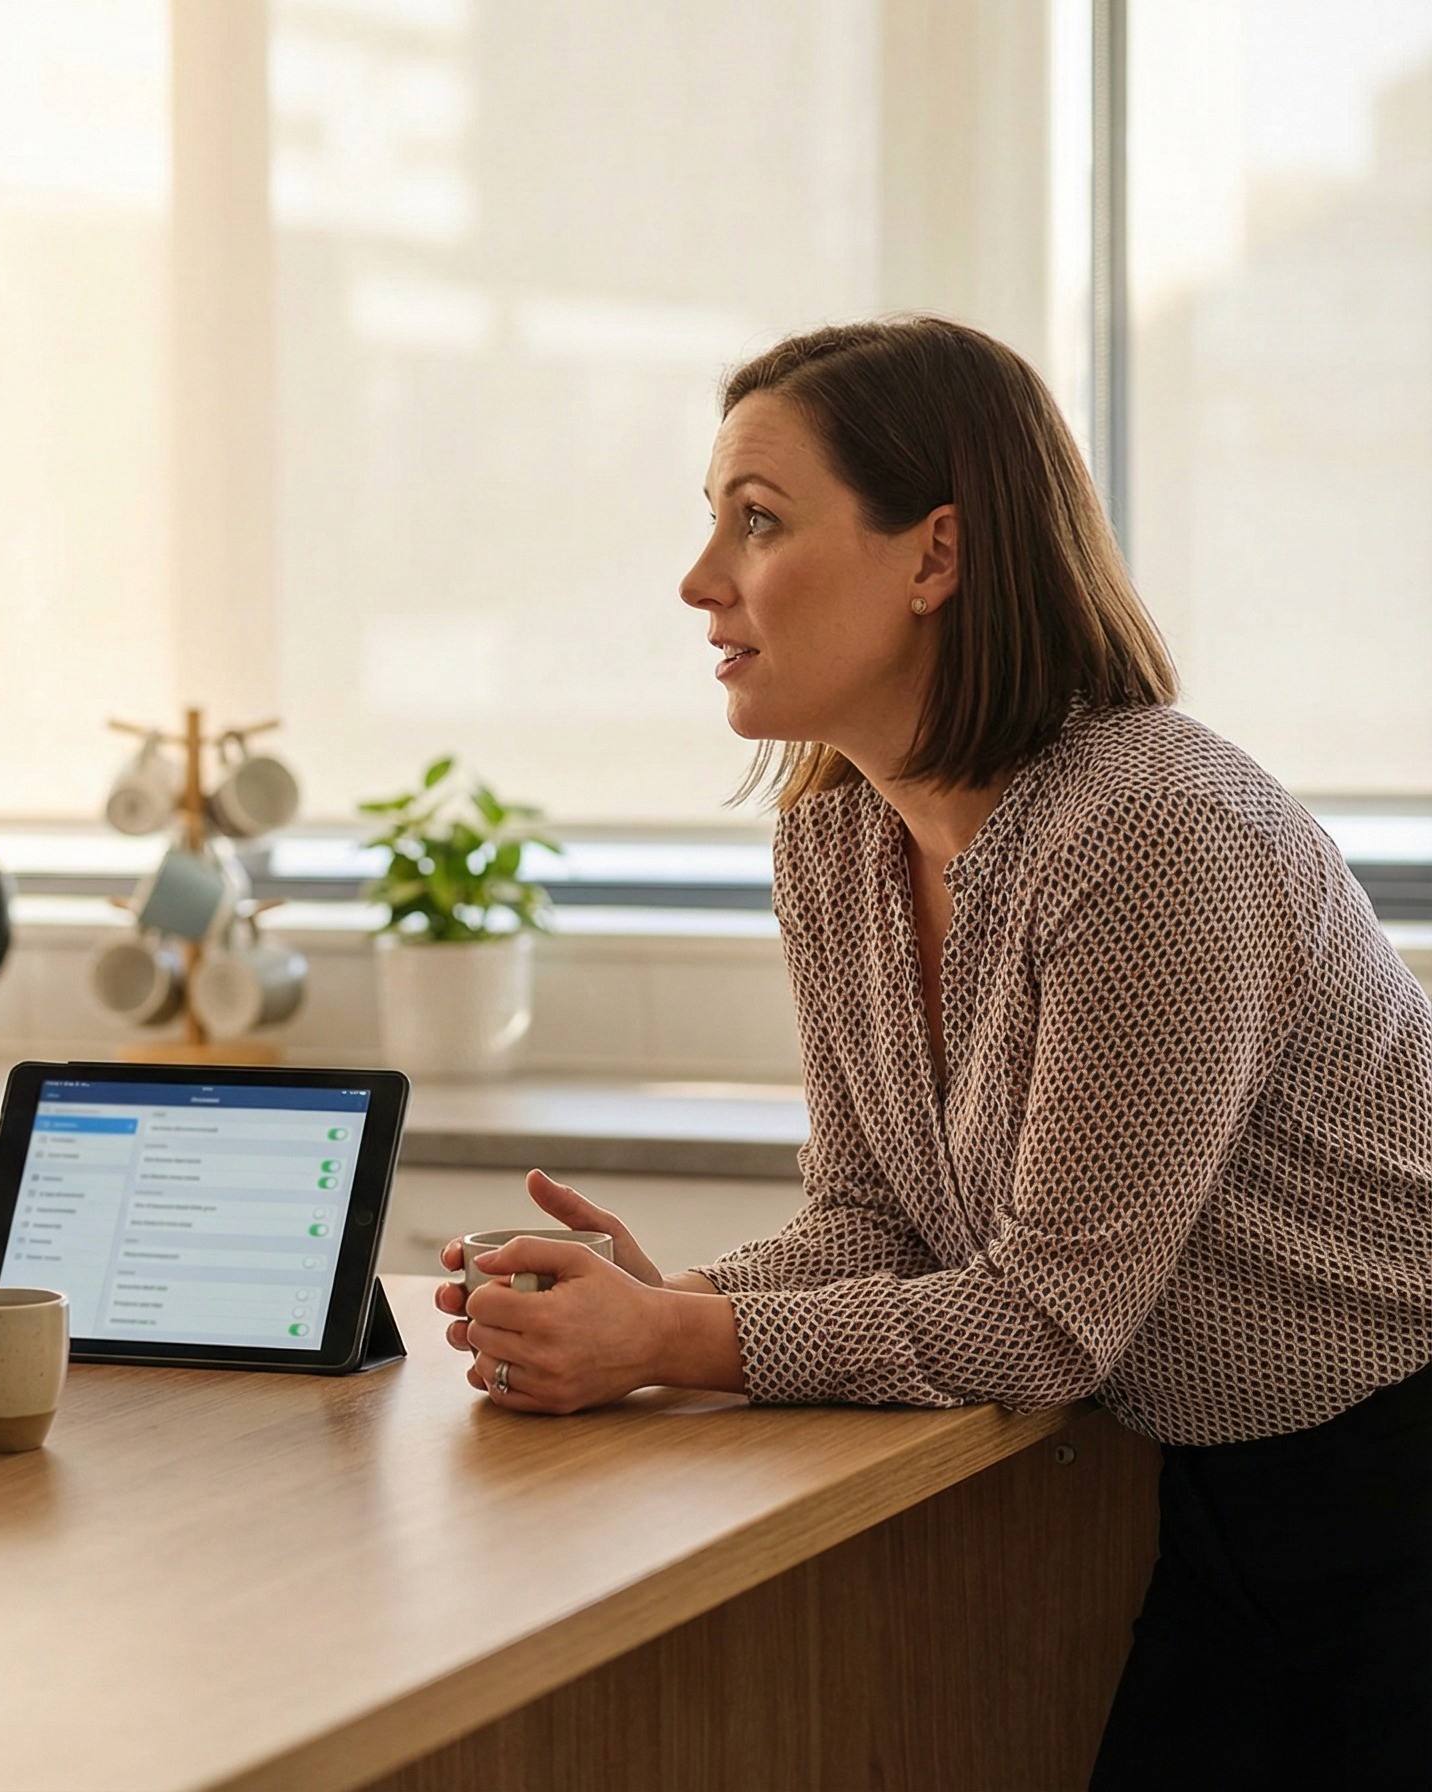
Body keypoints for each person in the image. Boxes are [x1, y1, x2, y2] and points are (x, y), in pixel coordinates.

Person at [436, 317, 1432, 1785]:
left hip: (1392, 1473)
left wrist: (676, 1343)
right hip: (1201, 1483)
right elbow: (879, 1215)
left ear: (937, 557)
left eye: (757, 522)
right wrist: (676, 1297)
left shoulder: (1154, 833)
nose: (700, 584)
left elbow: (1046, 1321)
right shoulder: (837, 840)